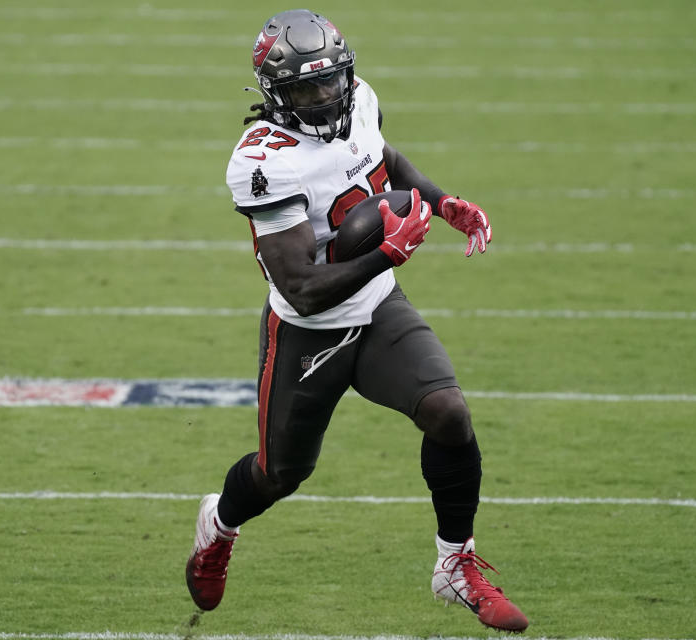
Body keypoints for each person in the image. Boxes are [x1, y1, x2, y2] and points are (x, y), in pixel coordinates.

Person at [186, 9, 528, 633]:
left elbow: (382, 158)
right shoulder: (265, 162)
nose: (323, 98)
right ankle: (220, 523)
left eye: (330, 82)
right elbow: (302, 287)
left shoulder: (360, 99)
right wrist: (387, 252)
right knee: (279, 473)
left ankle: (455, 564)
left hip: (378, 308)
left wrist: (441, 202)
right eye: (305, 89)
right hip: (308, 331)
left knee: (448, 412)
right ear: (274, 94)